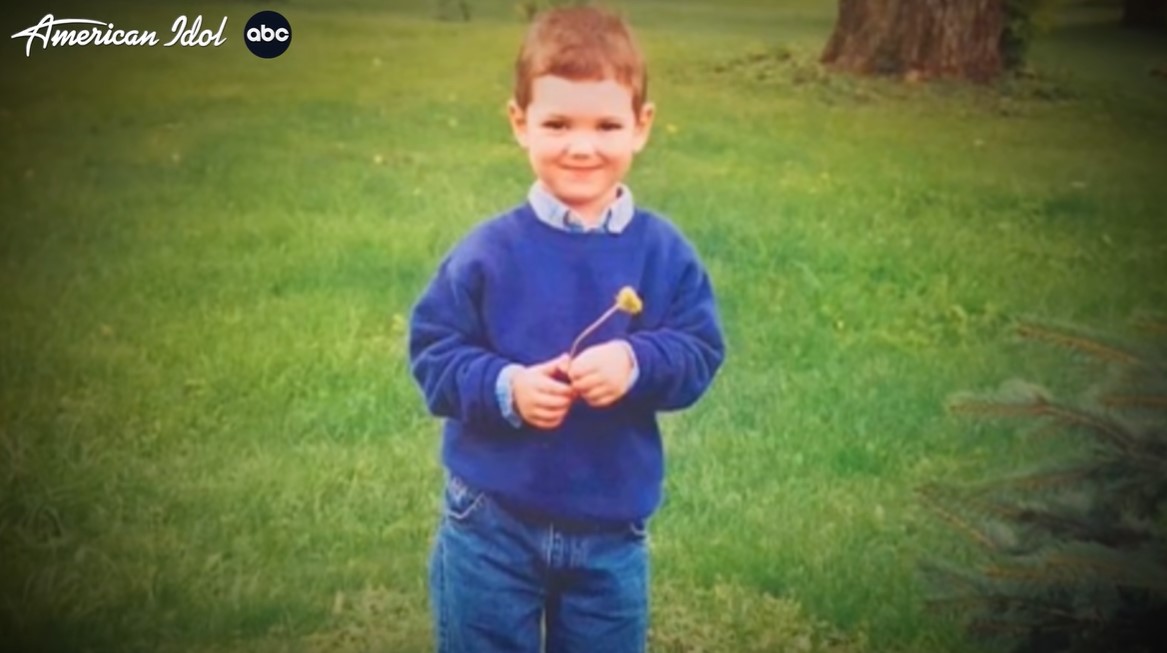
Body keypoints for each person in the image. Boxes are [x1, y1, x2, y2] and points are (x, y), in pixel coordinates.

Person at [408, 6, 725, 652]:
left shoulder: (661, 253)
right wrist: (506, 387)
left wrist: (636, 362)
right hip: (491, 522)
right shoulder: (488, 252)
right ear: (518, 123)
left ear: (641, 127)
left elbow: (697, 347)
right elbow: (434, 352)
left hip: (610, 531)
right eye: (557, 123)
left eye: (606, 124)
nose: (581, 146)